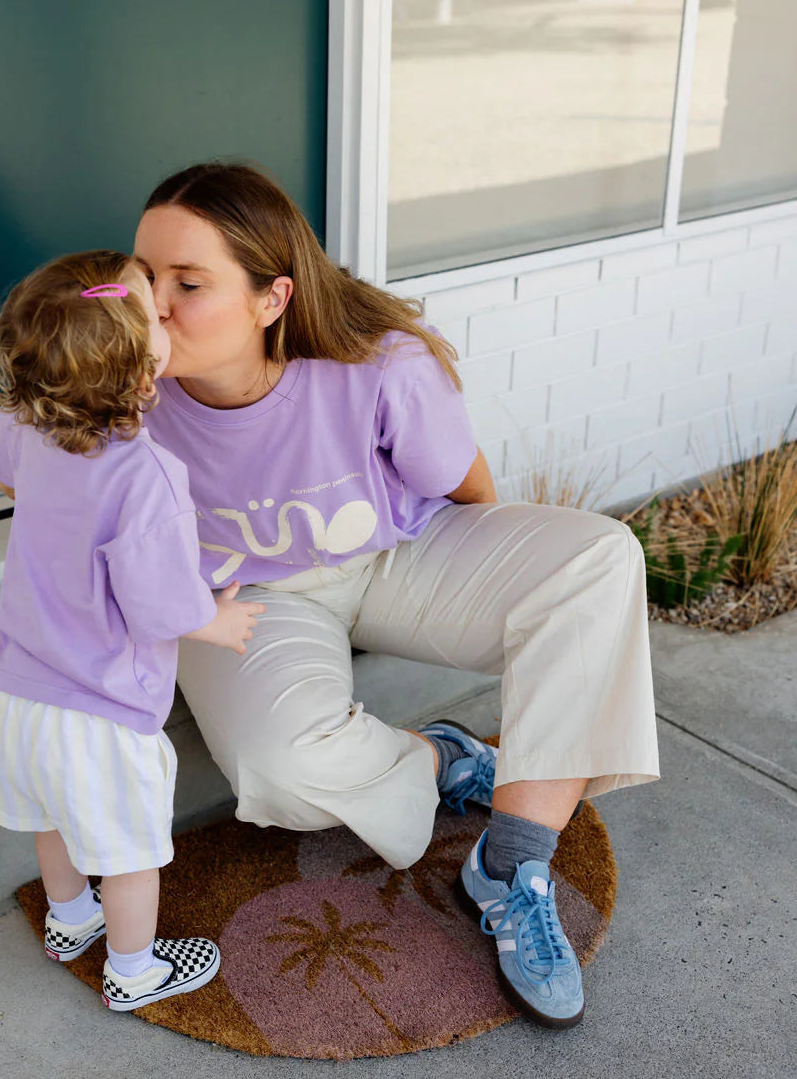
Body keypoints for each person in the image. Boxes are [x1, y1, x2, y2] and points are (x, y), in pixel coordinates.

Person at [133, 162, 660, 1030]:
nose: (155, 304)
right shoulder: (128, 390)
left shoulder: (376, 364)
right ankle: (443, 759)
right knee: (279, 770)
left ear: (273, 298)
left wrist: (496, 600)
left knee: (599, 558)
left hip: (394, 556)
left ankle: (513, 859)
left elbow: (471, 493)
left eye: (187, 283)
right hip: (245, 598)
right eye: (146, 276)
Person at [0, 250, 265, 1011]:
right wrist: (219, 617)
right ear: (145, 376)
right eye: (154, 311)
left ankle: (70, 920)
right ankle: (134, 970)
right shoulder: (147, 477)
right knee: (130, 850)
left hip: (23, 685)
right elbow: (160, 606)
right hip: (101, 705)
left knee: (52, 818)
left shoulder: (24, 424)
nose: (167, 312)